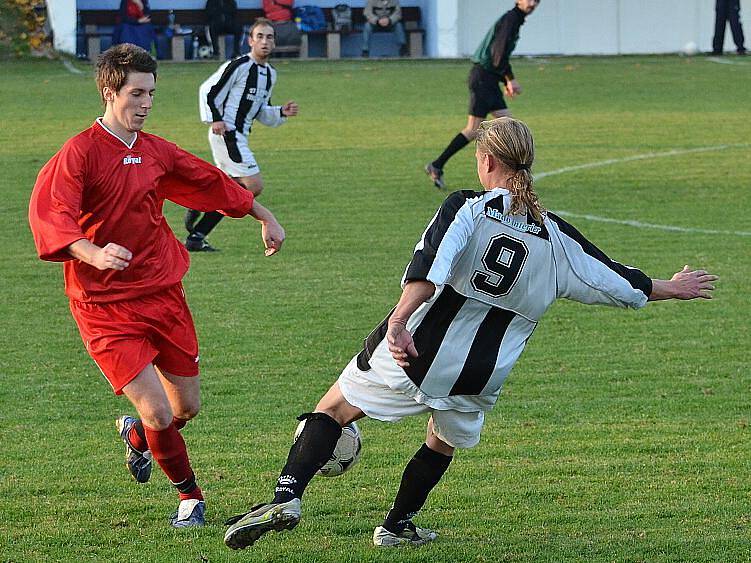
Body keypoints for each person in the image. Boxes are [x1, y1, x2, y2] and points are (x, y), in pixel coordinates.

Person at [222, 116, 717, 550]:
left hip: (416, 351)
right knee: (442, 440)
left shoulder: (468, 207)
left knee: (333, 409)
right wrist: (673, 287)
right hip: (479, 373)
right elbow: (615, 280)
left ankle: (285, 498)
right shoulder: (557, 237)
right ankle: (397, 525)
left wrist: (397, 322)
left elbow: (430, 267)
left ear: (485, 161)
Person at [28, 44, 285, 528]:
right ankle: (191, 496)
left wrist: (262, 214)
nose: (146, 103)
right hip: (103, 305)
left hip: (163, 294)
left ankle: (137, 438)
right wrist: (92, 252)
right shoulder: (79, 153)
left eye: (152, 93)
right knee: (158, 410)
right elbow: (51, 213)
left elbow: (209, 181)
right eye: (137, 93)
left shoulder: (154, 151)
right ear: (110, 91)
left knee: (184, 407)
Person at [186, 18, 298, 252]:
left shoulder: (270, 74)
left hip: (240, 136)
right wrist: (215, 118)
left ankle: (198, 225)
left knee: (231, 188)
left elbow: (260, 110)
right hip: (227, 134)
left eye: (269, 37)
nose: (264, 42)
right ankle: (201, 208)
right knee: (253, 184)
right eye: (260, 36)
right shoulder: (239, 66)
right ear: (250, 41)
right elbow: (209, 90)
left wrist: (280, 112)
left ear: (274, 42)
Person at [425, 0, 539, 189]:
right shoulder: (512, 19)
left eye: (537, 1)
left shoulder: (514, 19)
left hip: (488, 79)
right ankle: (437, 165)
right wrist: (510, 79)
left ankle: (517, 178)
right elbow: (497, 54)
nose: (533, 3)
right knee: (477, 129)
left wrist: (506, 80)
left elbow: (499, 57)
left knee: (509, 126)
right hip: (483, 79)